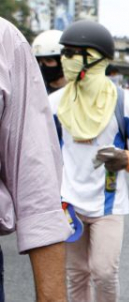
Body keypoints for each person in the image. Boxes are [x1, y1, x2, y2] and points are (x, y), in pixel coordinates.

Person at [47, 20, 129, 302]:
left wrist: (125, 158)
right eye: (64, 53)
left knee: (104, 272)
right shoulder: (54, 104)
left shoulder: (124, 103)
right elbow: (47, 151)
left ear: (94, 58)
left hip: (108, 203)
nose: (64, 61)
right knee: (76, 273)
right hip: (68, 202)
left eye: (71, 54)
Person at [0, 17, 72, 302]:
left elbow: (34, 166)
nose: (45, 66)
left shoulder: (5, 42)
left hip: (71, 188)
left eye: (50, 61)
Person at [32, 29, 67, 94]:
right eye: (39, 61)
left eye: (48, 60)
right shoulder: (34, 93)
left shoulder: (77, 93)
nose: (43, 65)